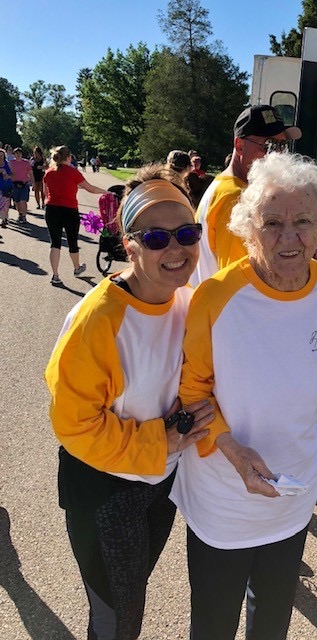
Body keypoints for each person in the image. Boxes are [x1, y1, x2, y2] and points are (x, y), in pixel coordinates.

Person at [170, 152, 317, 640]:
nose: (289, 237)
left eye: (303, 221)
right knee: (212, 622)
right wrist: (231, 449)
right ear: (249, 229)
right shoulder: (215, 295)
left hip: (292, 490)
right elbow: (192, 390)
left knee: (273, 617)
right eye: (271, 222)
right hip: (221, 492)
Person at [44, 163, 214, 640]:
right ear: (129, 243)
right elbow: (74, 426)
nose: (176, 249)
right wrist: (163, 437)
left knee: (132, 596)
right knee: (118, 619)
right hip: (105, 492)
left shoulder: (189, 302)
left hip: (160, 484)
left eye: (186, 232)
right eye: (157, 239)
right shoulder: (96, 320)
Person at [191, 104, 302, 285]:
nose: (277, 155)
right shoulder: (236, 199)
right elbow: (241, 283)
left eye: (282, 145)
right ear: (239, 145)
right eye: (268, 145)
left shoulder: (226, 186)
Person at [43, 145, 107, 285]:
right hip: (69, 210)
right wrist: (106, 192)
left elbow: (45, 192)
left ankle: (55, 275)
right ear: (68, 157)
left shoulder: (48, 173)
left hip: (52, 209)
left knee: (55, 243)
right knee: (72, 241)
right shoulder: (73, 173)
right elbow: (90, 188)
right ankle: (77, 268)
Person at [9, 148, 33, 224]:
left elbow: (31, 173)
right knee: (16, 202)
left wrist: (33, 183)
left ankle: (24, 217)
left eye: (19, 153)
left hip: (24, 184)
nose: (18, 155)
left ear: (22, 154)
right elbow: (8, 173)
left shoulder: (26, 162)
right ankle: (20, 214)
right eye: (16, 153)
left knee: (23, 201)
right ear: (14, 155)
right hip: (14, 184)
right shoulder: (11, 163)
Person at [0, 148, 14, 228]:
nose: (0, 157)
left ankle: (5, 218)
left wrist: (8, 176)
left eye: (2, 155)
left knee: (6, 204)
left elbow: (13, 174)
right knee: (1, 204)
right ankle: (3, 219)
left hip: (7, 186)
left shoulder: (8, 164)